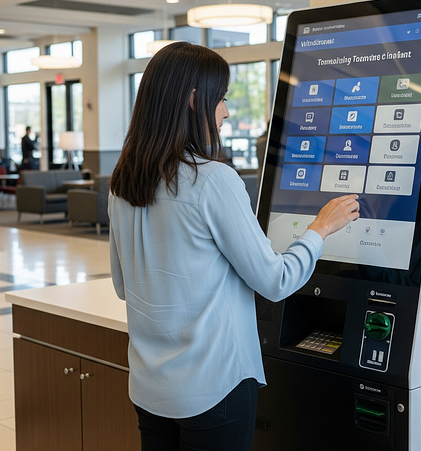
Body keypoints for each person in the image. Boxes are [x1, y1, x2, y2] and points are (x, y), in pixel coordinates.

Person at [108, 42, 359, 450]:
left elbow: (123, 285)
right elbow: (276, 281)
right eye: (220, 99)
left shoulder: (122, 183)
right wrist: (320, 228)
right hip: (213, 388)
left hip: (150, 388)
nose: (225, 111)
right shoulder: (213, 181)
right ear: (194, 100)